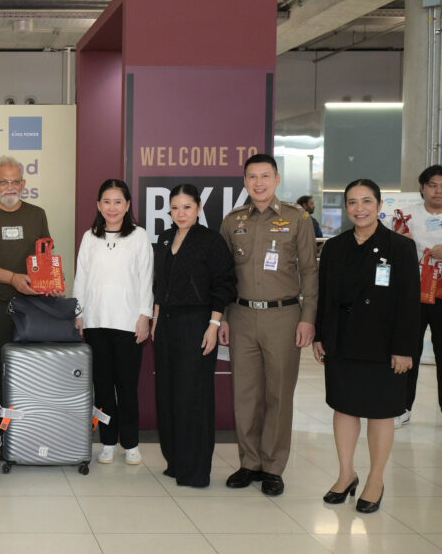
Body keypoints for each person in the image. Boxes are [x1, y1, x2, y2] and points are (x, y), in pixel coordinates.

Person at [314, 178, 418, 514]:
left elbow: (409, 303)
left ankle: (375, 478)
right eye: (353, 202)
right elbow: (325, 298)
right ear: (346, 208)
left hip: (384, 344)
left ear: (379, 205)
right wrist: (320, 336)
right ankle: (346, 475)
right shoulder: (334, 247)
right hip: (343, 341)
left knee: (380, 412)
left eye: (367, 201)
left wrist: (405, 348)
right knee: (344, 407)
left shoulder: (400, 248)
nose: (360, 209)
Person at [218, 153, 318, 496]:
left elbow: (309, 270)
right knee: (244, 395)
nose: (258, 183)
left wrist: (308, 318)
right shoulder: (233, 221)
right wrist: (225, 318)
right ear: (244, 182)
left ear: (276, 179)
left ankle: (273, 466)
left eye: (265, 176)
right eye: (252, 177)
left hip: (284, 316)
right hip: (242, 316)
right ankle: (249, 463)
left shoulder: (296, 218)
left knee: (279, 394)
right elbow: (224, 276)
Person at [152, 184, 236, 487]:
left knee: (193, 396)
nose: (180, 213)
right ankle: (175, 462)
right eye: (175, 207)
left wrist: (214, 325)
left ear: (199, 208)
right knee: (168, 393)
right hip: (166, 326)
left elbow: (224, 285)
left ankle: (195, 469)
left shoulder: (210, 242)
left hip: (197, 324)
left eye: (187, 207)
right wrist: (156, 319)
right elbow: (160, 285)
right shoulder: (164, 239)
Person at [72, 179, 153, 466]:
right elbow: (81, 278)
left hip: (129, 324)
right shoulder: (89, 237)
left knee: (127, 388)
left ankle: (130, 443)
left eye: (118, 201)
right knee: (103, 388)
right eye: (107, 201)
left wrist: (145, 316)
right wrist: (78, 313)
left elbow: (146, 279)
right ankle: (107, 442)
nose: (112, 207)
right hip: (95, 323)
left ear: (128, 205)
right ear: (98, 205)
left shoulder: (139, 236)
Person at [0, 155, 52, 394]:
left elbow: (45, 257)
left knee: (30, 368)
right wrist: (12, 278)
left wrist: (51, 282)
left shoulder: (37, 214)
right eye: (4, 182)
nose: (10, 188)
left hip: (32, 305)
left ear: (23, 184)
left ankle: (24, 427)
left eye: (15, 182)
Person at [392, 164, 442, 427]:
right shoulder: (405, 216)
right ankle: (401, 407)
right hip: (411, 293)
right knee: (406, 349)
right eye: (433, 185)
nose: (438, 191)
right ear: (422, 188)